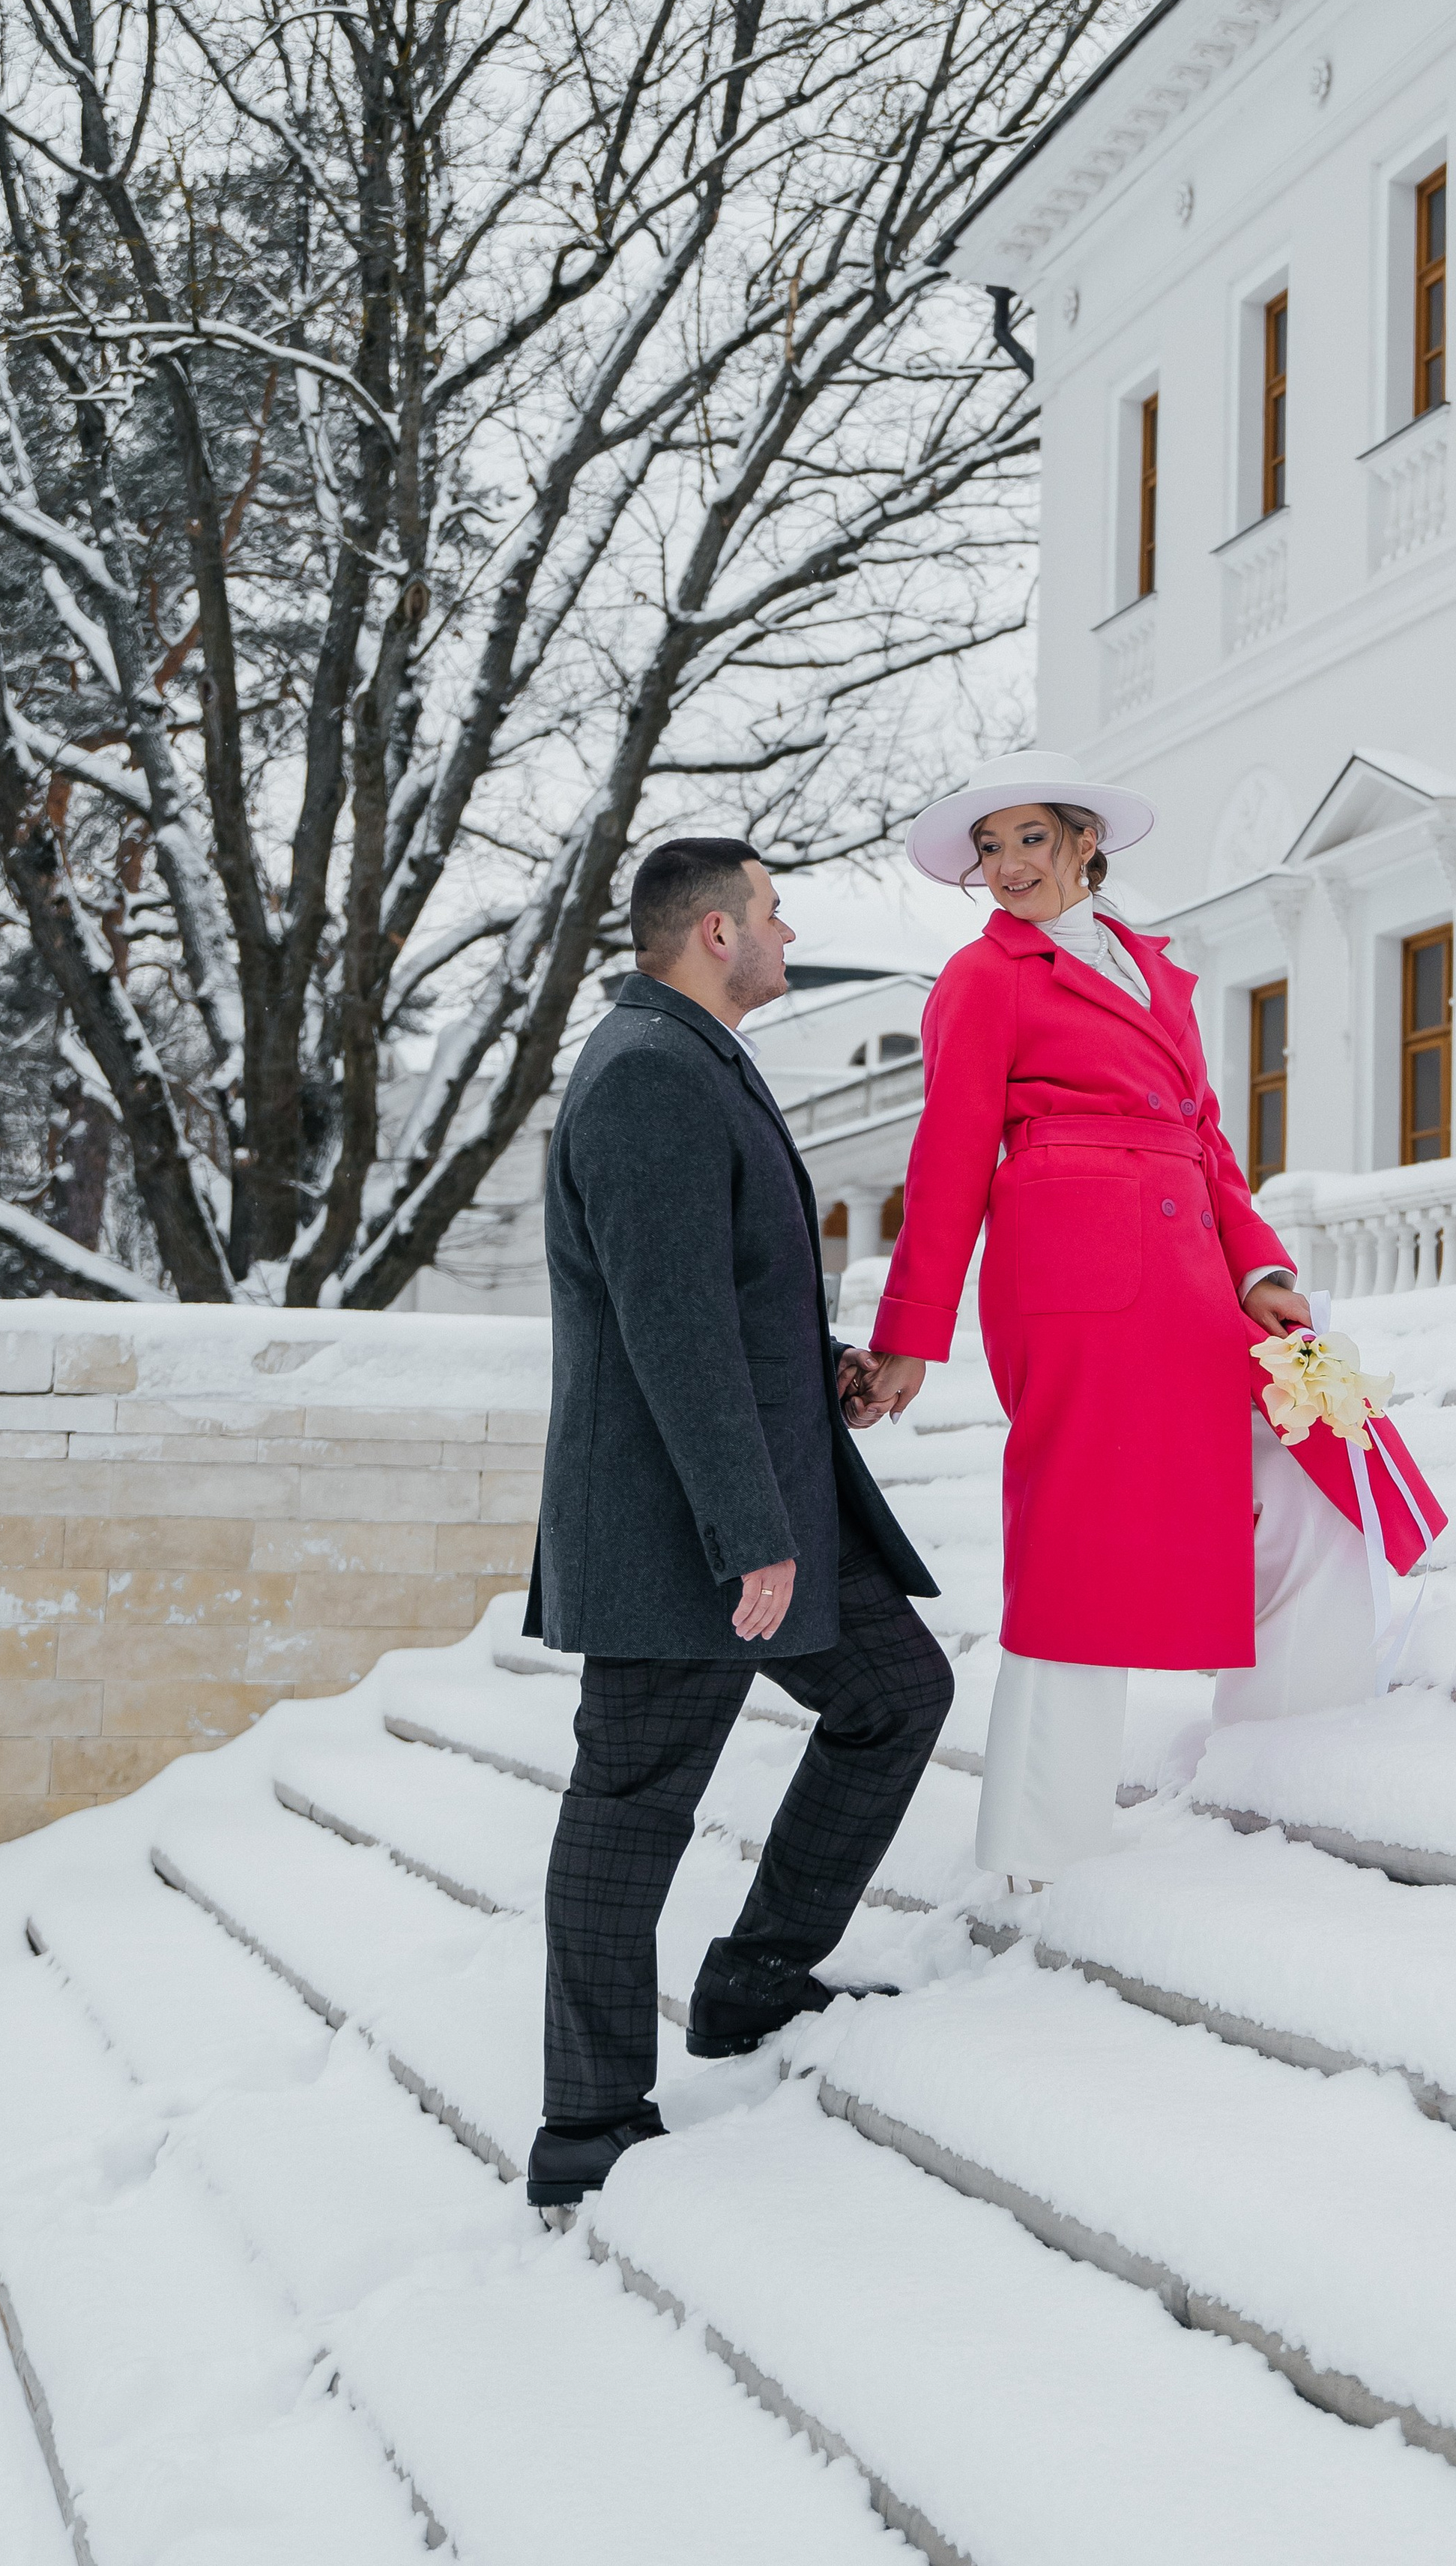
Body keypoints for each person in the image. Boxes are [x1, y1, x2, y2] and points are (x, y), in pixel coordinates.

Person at [859, 749, 1440, 1883]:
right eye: (991, 847)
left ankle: (1283, 1758)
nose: (1010, 864)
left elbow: (1207, 1137)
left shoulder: (1152, 969)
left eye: (1032, 837)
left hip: (1187, 1279)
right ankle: (1040, 1848)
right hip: (1073, 1283)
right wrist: (908, 1335)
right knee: (1076, 1550)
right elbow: (946, 1161)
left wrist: (1256, 1266)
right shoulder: (984, 978)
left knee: (1308, 1484)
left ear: (1085, 841)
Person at [522, 837, 952, 2209]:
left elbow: (730, 1290)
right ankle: (586, 2124)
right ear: (716, 931)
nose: (787, 928)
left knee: (893, 1694)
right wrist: (744, 1531)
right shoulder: (647, 1074)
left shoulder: (690, 1055)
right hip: (682, 1533)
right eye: (773, 910)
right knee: (632, 1803)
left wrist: (821, 1363)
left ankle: (756, 1976)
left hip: (751, 1501)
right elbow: (672, 1331)